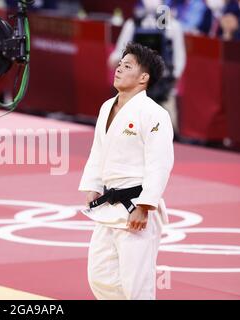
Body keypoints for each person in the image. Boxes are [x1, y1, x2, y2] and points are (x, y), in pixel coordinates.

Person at [79, 42, 174, 300]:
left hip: (135, 207)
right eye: (120, 64)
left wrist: (145, 205)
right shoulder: (106, 107)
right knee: (100, 277)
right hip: (108, 204)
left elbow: (160, 163)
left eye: (127, 66)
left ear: (143, 78)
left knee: (136, 285)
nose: (119, 69)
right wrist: (92, 185)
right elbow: (98, 150)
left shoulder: (154, 114)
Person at [108, 0, 186, 134]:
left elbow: (180, 58)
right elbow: (118, 54)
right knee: (126, 129)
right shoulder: (133, 24)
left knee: (166, 130)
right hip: (134, 88)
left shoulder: (172, 26)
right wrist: (117, 62)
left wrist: (171, 80)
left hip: (163, 89)